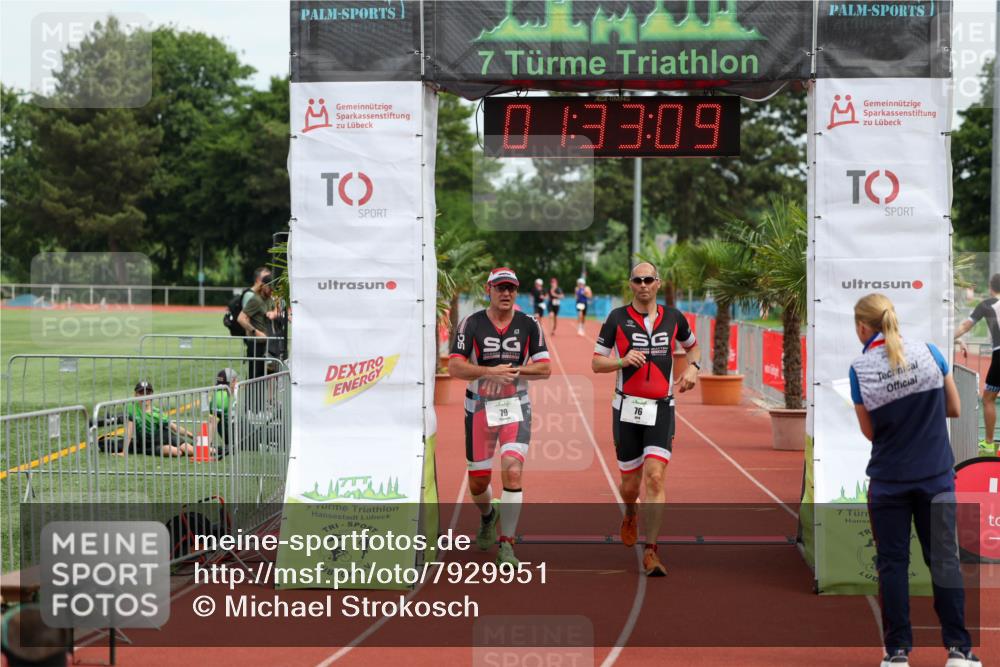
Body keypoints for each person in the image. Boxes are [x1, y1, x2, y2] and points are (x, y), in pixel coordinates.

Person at [849, 294, 981, 667]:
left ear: (862, 327)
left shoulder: (860, 369)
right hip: (936, 475)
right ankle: (959, 650)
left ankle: (897, 654)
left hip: (889, 480)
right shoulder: (930, 353)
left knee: (892, 564)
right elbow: (953, 408)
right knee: (944, 562)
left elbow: (871, 433)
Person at [591, 262, 700, 577]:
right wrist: (622, 361)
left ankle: (651, 551)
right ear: (631, 284)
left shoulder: (674, 318)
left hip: (661, 408)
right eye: (637, 280)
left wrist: (694, 368)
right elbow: (597, 363)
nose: (643, 285)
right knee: (630, 484)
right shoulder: (617, 319)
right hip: (626, 409)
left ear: (657, 282)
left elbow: (693, 349)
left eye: (648, 279)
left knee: (654, 476)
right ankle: (630, 510)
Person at [448, 267, 551, 566]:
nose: (506, 293)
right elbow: (455, 367)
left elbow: (545, 369)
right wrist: (488, 371)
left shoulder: (530, 324)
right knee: (478, 483)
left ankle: (507, 544)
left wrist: (515, 371)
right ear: (488, 289)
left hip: (515, 406)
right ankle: (488, 516)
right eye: (500, 288)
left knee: (512, 469)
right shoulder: (471, 323)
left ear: (517, 292)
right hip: (479, 407)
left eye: (511, 288)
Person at [953, 273, 1000, 456]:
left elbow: (965, 326)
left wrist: (949, 339)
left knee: (988, 398)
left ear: (990, 287)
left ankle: (989, 443)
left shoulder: (986, 304)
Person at [125, 381, 197, 457]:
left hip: (166, 436)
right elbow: (129, 432)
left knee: (190, 450)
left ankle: (209, 450)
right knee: (177, 452)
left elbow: (174, 427)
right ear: (135, 394)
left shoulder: (157, 413)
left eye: (148, 393)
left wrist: (192, 436)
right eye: (141, 393)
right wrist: (124, 451)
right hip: (150, 445)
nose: (145, 396)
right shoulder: (131, 408)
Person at [238, 271, 278, 379]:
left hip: (266, 346)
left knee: (267, 377)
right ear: (263, 286)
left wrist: (273, 313)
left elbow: (275, 308)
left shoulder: (269, 299)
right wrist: (256, 332)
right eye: (270, 288)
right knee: (254, 379)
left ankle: (263, 397)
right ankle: (251, 396)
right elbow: (241, 319)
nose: (271, 291)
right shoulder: (255, 299)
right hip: (255, 345)